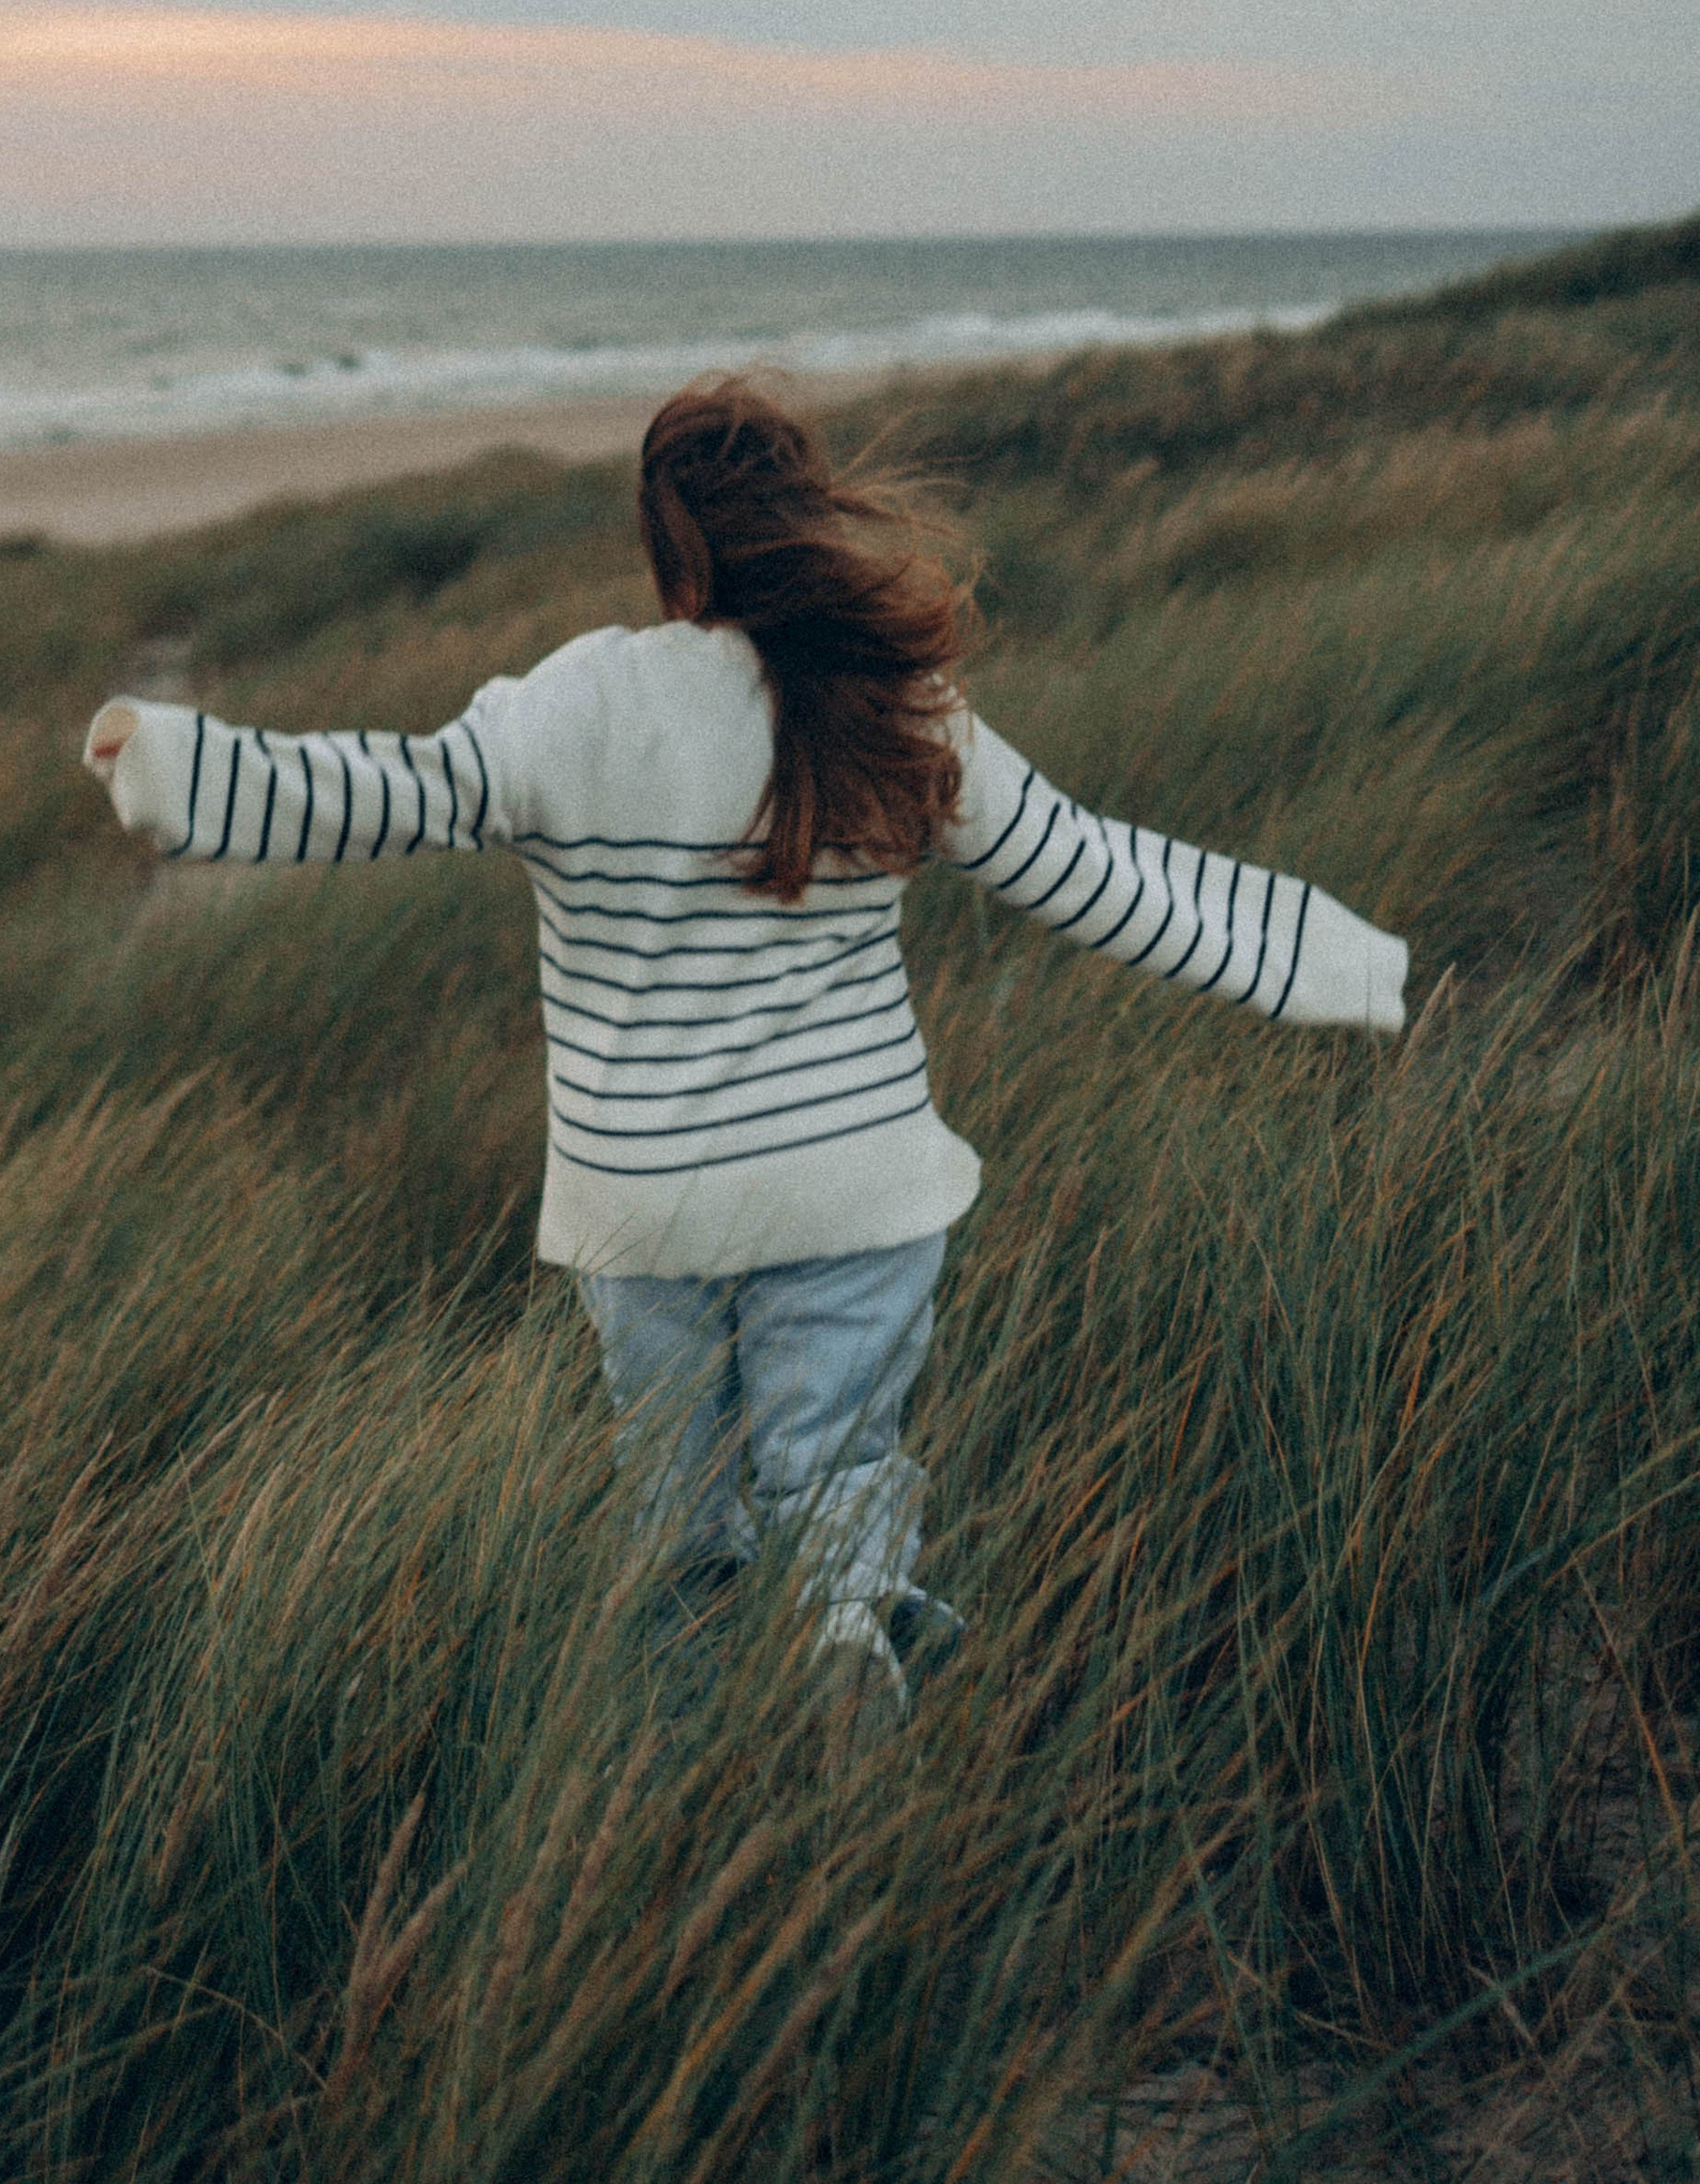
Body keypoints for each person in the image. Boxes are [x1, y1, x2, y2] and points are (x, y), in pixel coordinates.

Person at [84, 377, 1407, 1706]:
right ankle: (848, 1641)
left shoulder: (582, 701)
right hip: (853, 1183)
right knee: (835, 1478)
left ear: (667, 545)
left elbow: (385, 792)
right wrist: (1337, 965)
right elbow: (1092, 871)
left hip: (649, 1202)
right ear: (805, 520)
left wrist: (169, 765)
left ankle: (694, 1758)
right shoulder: (894, 700)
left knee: (680, 1512)